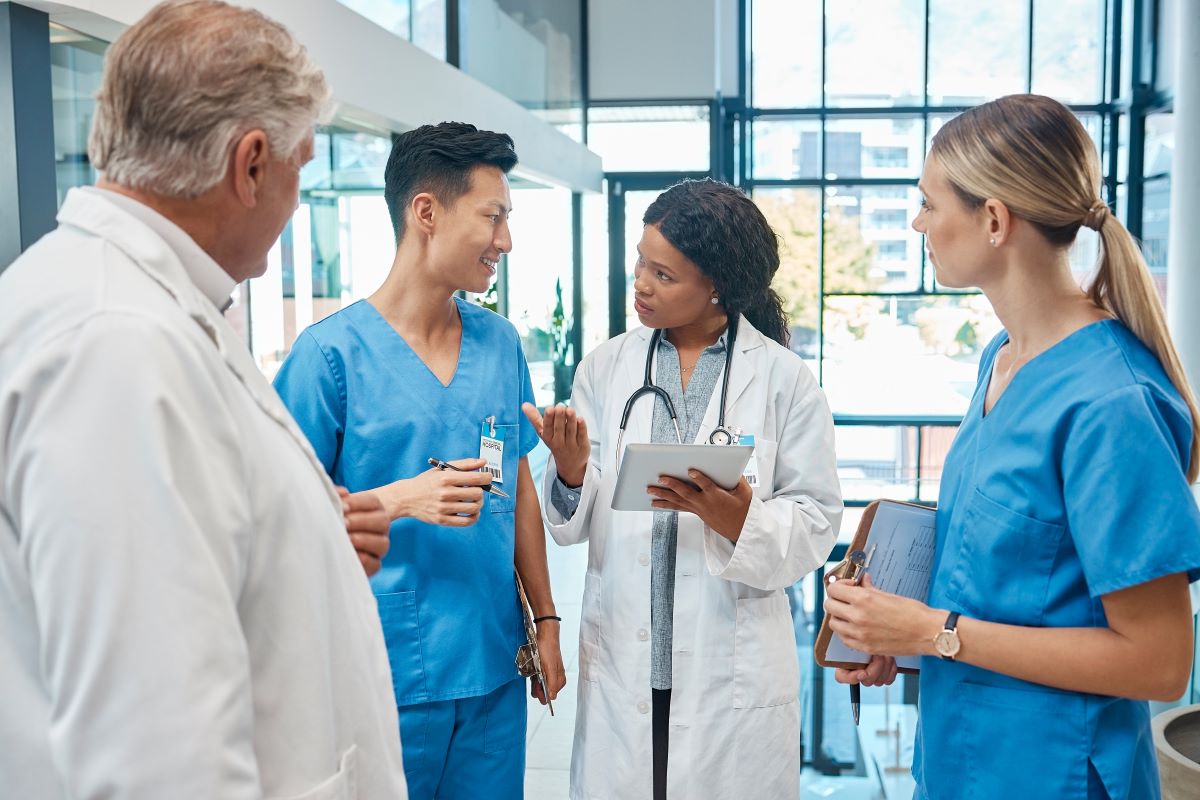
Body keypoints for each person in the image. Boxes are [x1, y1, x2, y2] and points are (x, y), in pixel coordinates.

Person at [0, 2, 408, 798]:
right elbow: (157, 756)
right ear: (250, 164)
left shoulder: (141, 305)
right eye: (301, 166)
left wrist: (304, 534)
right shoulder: (116, 345)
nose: (296, 203)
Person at [824, 94, 1200, 800]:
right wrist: (895, 633)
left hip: (1052, 775)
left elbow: (1158, 661)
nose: (918, 222)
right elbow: (1006, 585)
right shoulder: (1001, 359)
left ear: (994, 220)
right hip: (961, 762)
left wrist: (935, 630)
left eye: (930, 203)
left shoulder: (1110, 402)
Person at [273, 121, 566, 800]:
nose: (506, 241)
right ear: (426, 213)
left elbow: (517, 480)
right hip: (381, 673)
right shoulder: (329, 359)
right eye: (492, 217)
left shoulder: (500, 343)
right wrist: (401, 499)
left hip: (494, 667)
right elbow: (273, 517)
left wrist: (546, 619)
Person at [523, 178, 843, 799]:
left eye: (664, 275)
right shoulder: (606, 366)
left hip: (730, 671)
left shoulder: (784, 381)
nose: (641, 282)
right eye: (641, 262)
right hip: (625, 660)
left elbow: (817, 521)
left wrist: (739, 520)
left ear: (717, 285)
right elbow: (573, 517)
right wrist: (567, 470)